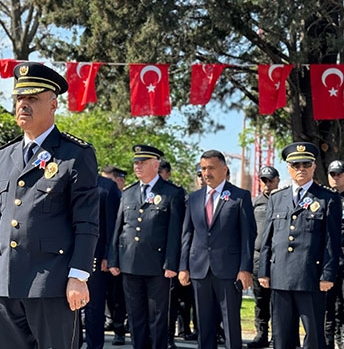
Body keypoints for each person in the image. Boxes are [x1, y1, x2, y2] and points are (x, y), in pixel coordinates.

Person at [0, 62, 99, 349]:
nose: (23, 105)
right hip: (7, 282)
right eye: (20, 98)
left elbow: (87, 222)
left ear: (54, 104)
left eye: (32, 98)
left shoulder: (75, 155)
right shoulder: (4, 157)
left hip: (53, 283)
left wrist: (79, 276)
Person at [259, 143, 341, 348]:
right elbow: (267, 239)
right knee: (281, 337)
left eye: (306, 164)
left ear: (314, 167)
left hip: (311, 278)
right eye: (296, 164)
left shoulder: (328, 198)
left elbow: (332, 241)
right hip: (279, 278)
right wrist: (263, 271)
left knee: (314, 337)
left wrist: (327, 275)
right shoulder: (277, 198)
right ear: (288, 168)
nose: (301, 168)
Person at [109, 145, 186, 349]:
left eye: (142, 162)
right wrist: (114, 259)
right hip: (129, 264)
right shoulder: (128, 193)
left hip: (157, 266)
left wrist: (171, 263)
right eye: (136, 162)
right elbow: (119, 228)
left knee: (158, 316)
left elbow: (174, 232)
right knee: (135, 315)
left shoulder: (172, 193)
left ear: (156, 164)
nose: (138, 166)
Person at [178, 150, 256, 349]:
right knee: (203, 326)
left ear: (224, 168)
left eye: (211, 168)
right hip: (199, 269)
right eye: (203, 168)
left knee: (230, 324)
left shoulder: (240, 196)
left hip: (228, 270)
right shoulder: (194, 198)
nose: (206, 173)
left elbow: (248, 236)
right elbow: (187, 234)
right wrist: (183, 267)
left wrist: (245, 268)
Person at [81, 175, 120, 349]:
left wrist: (108, 255)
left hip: (96, 254)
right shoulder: (67, 180)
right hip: (68, 253)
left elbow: (112, 225)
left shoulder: (107, 187)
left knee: (94, 306)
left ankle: (94, 345)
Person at [247, 166, 279, 348]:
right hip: (258, 258)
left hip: (278, 258)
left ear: (278, 180)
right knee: (260, 300)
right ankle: (261, 334)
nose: (267, 184)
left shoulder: (285, 200)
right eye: (264, 180)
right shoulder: (255, 202)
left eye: (270, 180)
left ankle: (278, 335)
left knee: (278, 301)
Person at [100, 165, 128, 345]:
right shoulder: (103, 194)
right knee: (106, 296)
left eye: (108, 179)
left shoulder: (125, 197)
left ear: (119, 180)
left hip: (117, 255)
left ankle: (119, 329)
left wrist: (110, 256)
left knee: (117, 296)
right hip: (103, 253)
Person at [327, 159, 344, 349]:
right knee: (327, 303)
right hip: (328, 259)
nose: (336, 177)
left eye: (339, 173)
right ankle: (328, 338)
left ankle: (342, 336)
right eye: (333, 174)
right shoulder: (324, 198)